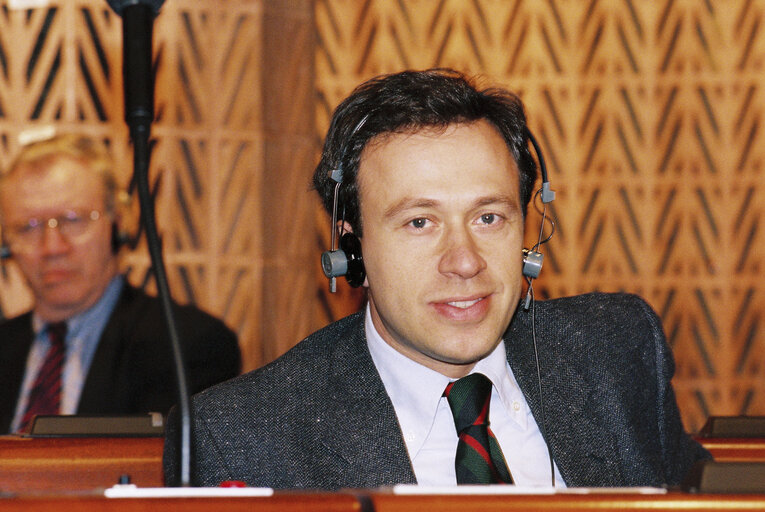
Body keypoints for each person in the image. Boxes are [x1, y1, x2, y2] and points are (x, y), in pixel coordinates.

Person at [164, 69, 711, 489]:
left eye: (488, 217)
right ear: (352, 246)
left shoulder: (615, 354)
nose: (465, 260)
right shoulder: (241, 434)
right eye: (420, 222)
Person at [0, 133, 241, 434]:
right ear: (7, 246)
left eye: (73, 220)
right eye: (28, 227)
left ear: (118, 225)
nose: (53, 248)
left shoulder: (185, 344)